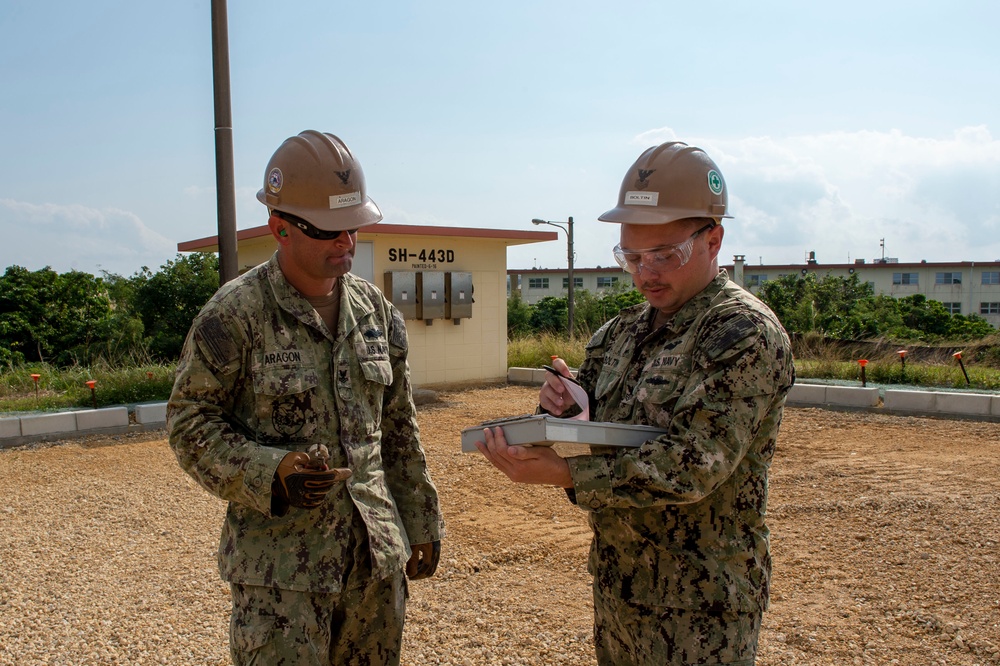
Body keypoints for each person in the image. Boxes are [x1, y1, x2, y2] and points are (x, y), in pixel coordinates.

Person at [476, 141, 794, 665]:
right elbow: (591, 409)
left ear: (713, 240)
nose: (646, 273)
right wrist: (562, 402)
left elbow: (694, 465)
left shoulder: (742, 334)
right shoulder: (622, 332)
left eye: (665, 255)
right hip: (623, 587)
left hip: (703, 607)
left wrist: (568, 476)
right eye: (633, 257)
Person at [168, 130, 444, 666]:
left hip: (373, 564)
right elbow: (190, 423)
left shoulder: (376, 313)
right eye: (329, 231)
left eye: (354, 229)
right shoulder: (235, 315)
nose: (346, 244)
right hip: (281, 580)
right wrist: (271, 471)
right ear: (281, 228)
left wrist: (421, 517)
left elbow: (398, 428)